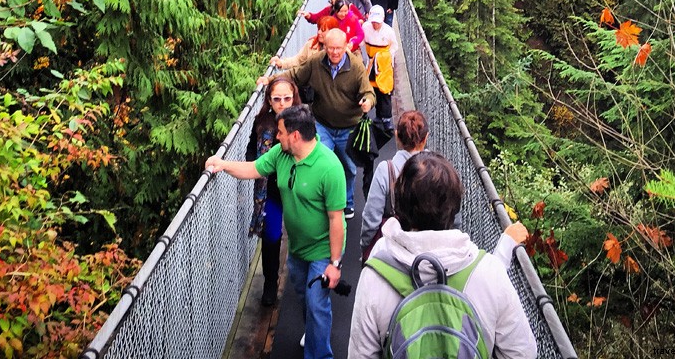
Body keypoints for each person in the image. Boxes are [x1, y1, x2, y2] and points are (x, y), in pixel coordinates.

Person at [347, 153, 537, 359]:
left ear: (400, 206)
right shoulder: (490, 273)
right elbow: (522, 353)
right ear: (455, 208)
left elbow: (360, 355)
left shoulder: (375, 275)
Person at [207, 105, 346, 359]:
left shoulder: (330, 167)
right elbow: (253, 169)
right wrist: (222, 164)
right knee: (305, 297)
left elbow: (336, 219)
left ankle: (320, 354)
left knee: (317, 304)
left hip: (323, 248)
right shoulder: (281, 154)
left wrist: (335, 264)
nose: (276, 136)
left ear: (295, 135)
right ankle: (313, 332)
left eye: (280, 132)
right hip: (298, 247)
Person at [278, 28, 374, 219]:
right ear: (325, 47)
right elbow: (296, 75)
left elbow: (368, 91)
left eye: (338, 48)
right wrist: (272, 80)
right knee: (318, 164)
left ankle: (346, 202)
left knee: (348, 167)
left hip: (348, 126)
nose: (334, 52)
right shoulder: (316, 62)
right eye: (331, 48)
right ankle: (320, 202)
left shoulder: (355, 66)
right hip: (323, 124)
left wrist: (368, 102)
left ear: (346, 47)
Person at [244, 77, 302, 305]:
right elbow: (251, 149)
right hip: (270, 190)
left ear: (294, 98)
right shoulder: (262, 122)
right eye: (277, 99)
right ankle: (270, 282)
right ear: (269, 100)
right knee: (271, 235)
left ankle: (305, 280)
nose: (282, 104)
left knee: (303, 232)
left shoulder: (303, 121)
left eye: (287, 98)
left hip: (298, 187)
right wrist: (256, 166)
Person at [360, 110, 428, 261]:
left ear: (397, 135)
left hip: (390, 253)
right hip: (426, 253)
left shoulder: (386, 170)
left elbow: (371, 218)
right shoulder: (436, 171)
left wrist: (366, 248)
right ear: (426, 138)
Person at [360, 5, 397, 128]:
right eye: (373, 22)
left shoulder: (389, 31)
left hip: (384, 65)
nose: (375, 25)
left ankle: (386, 118)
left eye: (377, 22)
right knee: (372, 89)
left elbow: (394, 47)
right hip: (371, 64)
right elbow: (361, 41)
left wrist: (384, 57)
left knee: (384, 91)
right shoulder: (366, 28)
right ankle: (376, 115)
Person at [270, 16, 338, 70]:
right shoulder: (311, 45)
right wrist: (281, 63)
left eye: (323, 30)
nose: (319, 32)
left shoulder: (339, 50)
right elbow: (298, 60)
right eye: (319, 29)